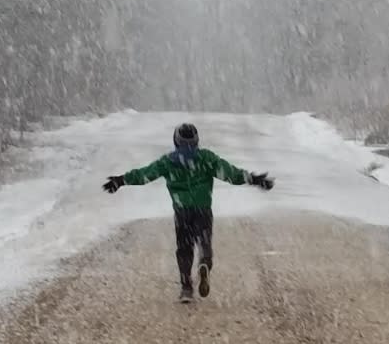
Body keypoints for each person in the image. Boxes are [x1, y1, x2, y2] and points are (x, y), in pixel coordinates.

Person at [102, 123, 274, 302]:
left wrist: (121, 180)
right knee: (204, 244)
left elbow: (144, 175)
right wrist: (254, 179)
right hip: (203, 210)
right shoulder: (207, 158)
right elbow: (232, 174)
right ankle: (204, 264)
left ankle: (186, 288)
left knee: (184, 249)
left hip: (182, 211)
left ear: (176, 141)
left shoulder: (168, 162)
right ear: (196, 140)